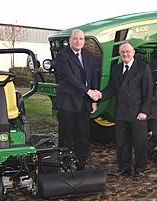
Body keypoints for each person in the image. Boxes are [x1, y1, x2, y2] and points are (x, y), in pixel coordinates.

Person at [93, 42, 153, 177]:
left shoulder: (143, 68)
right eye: (123, 52)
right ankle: (124, 169)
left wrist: (144, 111)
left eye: (128, 52)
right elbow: (111, 89)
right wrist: (100, 95)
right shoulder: (116, 69)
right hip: (121, 113)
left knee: (139, 143)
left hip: (138, 113)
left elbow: (148, 91)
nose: (125, 54)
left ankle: (140, 169)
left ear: (133, 53)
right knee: (122, 143)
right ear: (120, 54)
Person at [53, 29, 99, 170]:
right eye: (75, 39)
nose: (78, 41)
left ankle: (81, 164)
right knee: (66, 136)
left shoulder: (88, 56)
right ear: (70, 40)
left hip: (84, 103)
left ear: (84, 41)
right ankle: (65, 164)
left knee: (83, 136)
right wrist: (88, 91)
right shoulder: (62, 56)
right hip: (68, 102)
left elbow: (93, 77)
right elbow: (69, 78)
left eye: (81, 39)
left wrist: (94, 100)